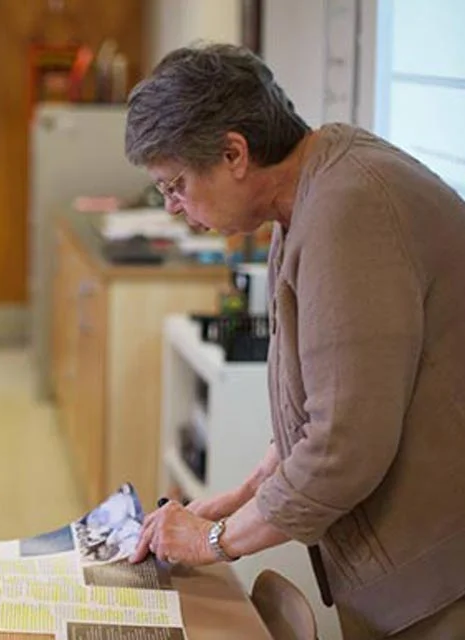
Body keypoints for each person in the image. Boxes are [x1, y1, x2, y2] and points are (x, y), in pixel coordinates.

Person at [124, 44, 465, 639]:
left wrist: (213, 541)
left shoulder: (349, 210)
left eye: (175, 185)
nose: (174, 208)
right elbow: (327, 402)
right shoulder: (309, 195)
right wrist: (246, 494)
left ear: (234, 153)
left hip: (440, 574)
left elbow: (342, 447)